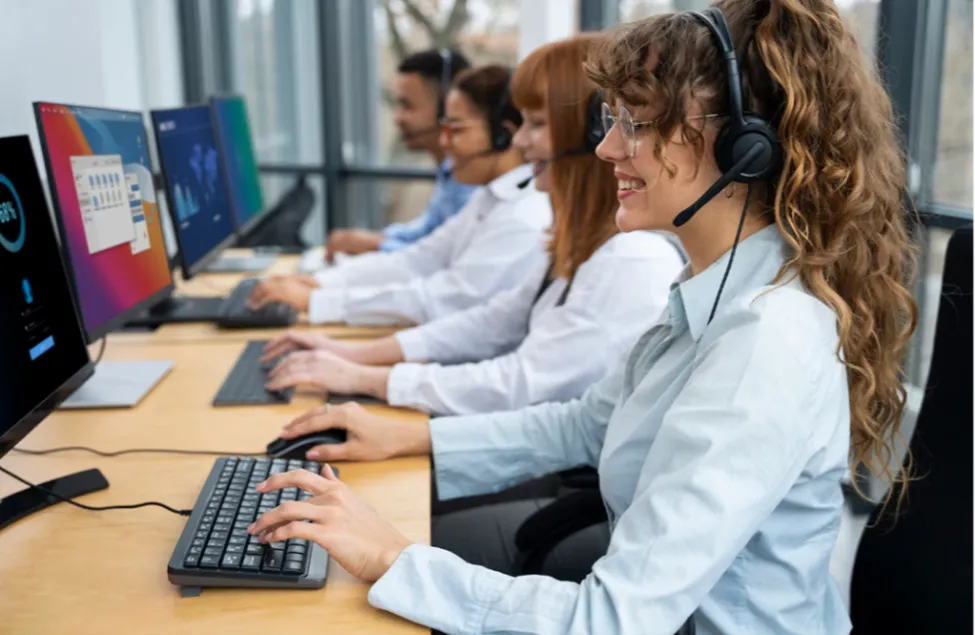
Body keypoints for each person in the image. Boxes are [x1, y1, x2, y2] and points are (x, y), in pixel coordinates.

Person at [246, 1, 918, 633]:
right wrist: (405, 441)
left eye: (637, 124)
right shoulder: (710, 291)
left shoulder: (763, 341)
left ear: (744, 147)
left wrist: (391, 557)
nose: (606, 149)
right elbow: (584, 421)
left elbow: (612, 618)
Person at [259, 34, 684, 417]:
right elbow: (491, 321)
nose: (518, 142)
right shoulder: (579, 243)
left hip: (545, 468)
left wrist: (365, 375)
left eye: (535, 125)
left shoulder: (626, 261)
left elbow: (519, 381)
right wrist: (351, 355)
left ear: (591, 138)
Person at [247, 65, 552, 325]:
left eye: (456, 130)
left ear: (504, 135)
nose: (444, 143)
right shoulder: (491, 196)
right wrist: (319, 283)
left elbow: (447, 298)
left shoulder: (522, 215)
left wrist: (319, 301)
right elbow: (417, 260)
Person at [325, 49, 478, 261]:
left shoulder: (470, 183)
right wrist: (371, 239)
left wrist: (376, 244)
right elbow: (426, 231)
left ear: (446, 110)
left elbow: (443, 259)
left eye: (407, 106)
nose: (397, 118)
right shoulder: (449, 172)